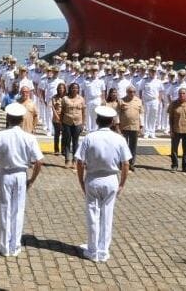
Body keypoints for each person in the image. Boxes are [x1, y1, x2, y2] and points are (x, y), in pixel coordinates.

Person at [0, 103, 44, 257]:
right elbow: (39, 161)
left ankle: (4, 246)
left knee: (4, 209)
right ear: (21, 119)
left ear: (8, 118)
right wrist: (32, 179)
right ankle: (15, 245)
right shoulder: (29, 137)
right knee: (18, 210)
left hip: (4, 173)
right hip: (21, 174)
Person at [75, 106, 131, 263]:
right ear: (112, 122)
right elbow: (126, 164)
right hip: (111, 178)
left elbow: (79, 161)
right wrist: (122, 183)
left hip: (93, 178)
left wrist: (81, 180)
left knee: (93, 214)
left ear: (97, 120)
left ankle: (92, 250)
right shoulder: (119, 139)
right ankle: (103, 250)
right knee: (107, 215)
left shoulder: (89, 138)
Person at [168, 87, 186, 173]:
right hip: (176, 129)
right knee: (174, 149)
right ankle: (174, 165)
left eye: (183, 93)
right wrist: (171, 130)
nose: (181, 95)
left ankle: (185, 166)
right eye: (180, 93)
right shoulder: (173, 104)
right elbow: (170, 118)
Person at [117, 86, 144, 171]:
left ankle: (131, 163)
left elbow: (141, 114)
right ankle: (123, 163)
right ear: (126, 92)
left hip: (135, 126)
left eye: (133, 92)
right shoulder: (121, 101)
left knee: (133, 146)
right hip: (124, 126)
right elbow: (117, 113)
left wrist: (141, 126)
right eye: (130, 92)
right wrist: (117, 125)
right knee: (123, 146)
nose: (132, 93)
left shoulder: (139, 101)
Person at [61, 82, 86, 169]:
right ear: (70, 89)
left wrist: (83, 123)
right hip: (67, 122)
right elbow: (62, 111)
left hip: (77, 123)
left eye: (76, 88)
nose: (74, 89)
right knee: (67, 142)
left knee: (76, 142)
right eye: (73, 88)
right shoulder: (65, 98)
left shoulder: (81, 99)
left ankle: (75, 161)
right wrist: (61, 123)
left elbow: (83, 112)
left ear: (78, 89)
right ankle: (67, 160)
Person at [51, 83, 66, 155]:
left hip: (65, 118)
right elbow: (53, 108)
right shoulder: (54, 97)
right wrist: (58, 117)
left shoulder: (67, 97)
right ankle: (56, 150)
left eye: (62, 88)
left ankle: (63, 150)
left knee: (64, 135)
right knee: (57, 135)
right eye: (59, 88)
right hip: (56, 118)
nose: (61, 89)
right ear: (57, 89)